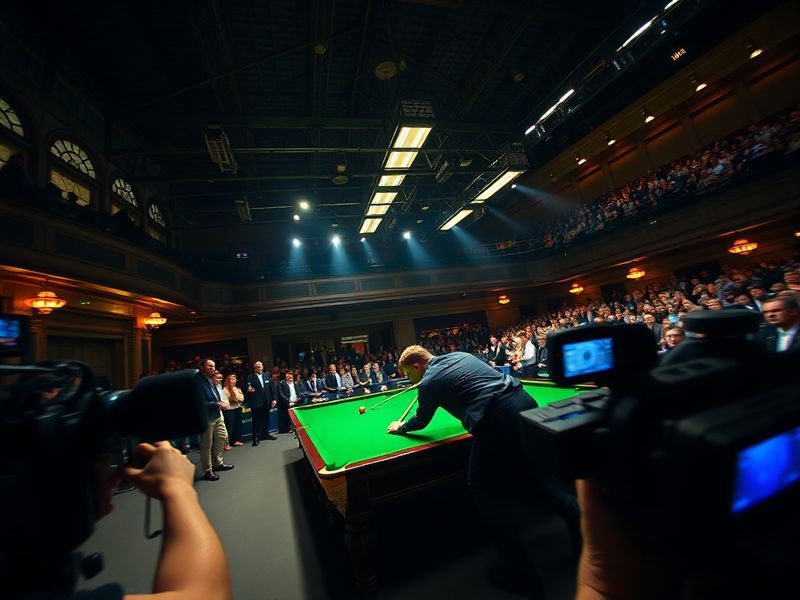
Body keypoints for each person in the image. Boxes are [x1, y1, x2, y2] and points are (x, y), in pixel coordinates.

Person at [387, 345, 580, 598]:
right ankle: (574, 516)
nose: (411, 381)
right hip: (525, 403)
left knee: (483, 489)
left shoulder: (429, 381)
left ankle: (523, 576)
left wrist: (401, 427)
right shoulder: (461, 355)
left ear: (417, 366)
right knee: (528, 479)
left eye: (409, 376)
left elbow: (421, 420)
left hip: (498, 417)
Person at [195, 361, 234, 481]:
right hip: (206, 418)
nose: (213, 368)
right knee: (206, 446)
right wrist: (216, 404)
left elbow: (214, 395)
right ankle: (208, 471)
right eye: (210, 366)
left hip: (216, 415)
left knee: (223, 437)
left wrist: (219, 403)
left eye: (214, 366)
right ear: (202, 367)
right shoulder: (196, 381)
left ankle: (218, 463)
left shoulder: (209, 379)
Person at [245, 361, 276, 445]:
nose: (258, 368)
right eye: (257, 366)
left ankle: (265, 434)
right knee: (256, 421)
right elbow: (246, 388)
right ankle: (256, 437)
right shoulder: (250, 377)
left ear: (262, 367)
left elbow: (271, 389)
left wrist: (274, 399)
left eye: (260, 366)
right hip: (256, 403)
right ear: (254, 368)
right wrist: (248, 390)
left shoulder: (267, 376)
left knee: (266, 419)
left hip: (267, 402)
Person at [221, 373, 244, 449]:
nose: (234, 380)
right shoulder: (225, 389)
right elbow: (224, 401)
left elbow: (242, 398)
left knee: (237, 426)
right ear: (228, 380)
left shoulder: (237, 388)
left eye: (235, 379)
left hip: (237, 408)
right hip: (229, 410)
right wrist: (234, 401)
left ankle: (235, 441)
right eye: (232, 379)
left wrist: (238, 400)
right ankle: (226, 444)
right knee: (229, 427)